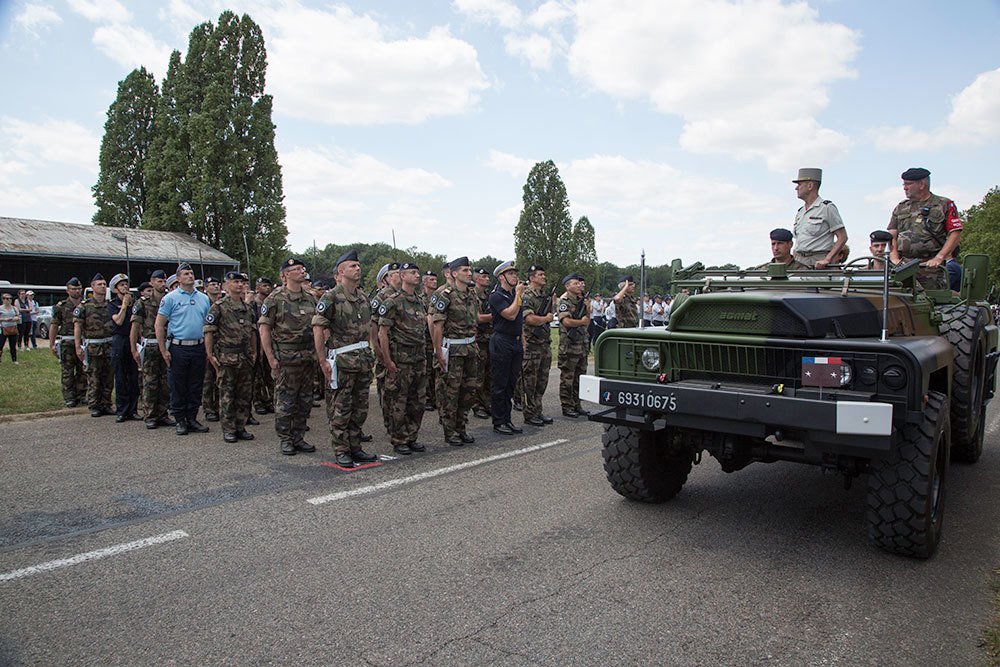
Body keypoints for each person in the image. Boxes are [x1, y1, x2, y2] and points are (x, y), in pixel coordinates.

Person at [312, 250, 378, 467]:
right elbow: (318, 327)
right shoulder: (330, 297)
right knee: (341, 407)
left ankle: (355, 446)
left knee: (360, 407)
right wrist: (323, 360)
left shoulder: (363, 297)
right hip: (342, 361)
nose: (357, 269)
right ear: (341, 272)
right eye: (353, 266)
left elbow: (369, 329)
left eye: (358, 266)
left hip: (362, 361)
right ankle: (341, 450)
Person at [259, 257, 317, 455]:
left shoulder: (310, 298)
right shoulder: (275, 299)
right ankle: (285, 438)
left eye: (302, 268)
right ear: (285, 275)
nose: (302, 272)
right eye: (297, 269)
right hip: (286, 357)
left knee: (305, 400)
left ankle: (298, 436)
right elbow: (264, 329)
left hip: (308, 356)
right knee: (286, 400)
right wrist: (270, 358)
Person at [155, 263, 212, 435]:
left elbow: (208, 325)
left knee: (195, 385)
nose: (190, 276)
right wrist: (163, 350)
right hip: (178, 348)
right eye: (186, 274)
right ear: (178, 278)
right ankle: (179, 419)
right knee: (178, 385)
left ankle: (192, 418)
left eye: (191, 273)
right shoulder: (170, 298)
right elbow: (159, 325)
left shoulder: (204, 298)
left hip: (198, 346)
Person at [378, 261, 428, 455]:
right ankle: (399, 438)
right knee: (398, 401)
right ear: (402, 276)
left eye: (417, 272)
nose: (417, 276)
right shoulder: (393, 301)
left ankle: (412, 436)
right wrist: (387, 360)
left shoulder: (420, 301)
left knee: (418, 401)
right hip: (400, 359)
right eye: (413, 273)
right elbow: (383, 332)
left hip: (418, 358)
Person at [429, 257, 479, 445]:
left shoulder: (471, 295)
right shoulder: (446, 295)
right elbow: (437, 326)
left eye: (469, 270)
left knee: (468, 392)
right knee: (450, 393)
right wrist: (438, 352)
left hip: (470, 349)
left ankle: (461, 427)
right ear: (454, 273)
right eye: (465, 270)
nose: (469, 273)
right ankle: (450, 432)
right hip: (453, 350)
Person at [888, 167, 962, 291]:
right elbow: (891, 235)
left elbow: (955, 234)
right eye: (904, 184)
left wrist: (940, 257)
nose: (904, 188)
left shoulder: (943, 205)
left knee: (931, 303)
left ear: (921, 184)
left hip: (931, 269)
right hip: (903, 268)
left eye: (908, 184)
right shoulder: (901, 207)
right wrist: (895, 258)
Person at [204, 271, 257, 443]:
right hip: (227, 356)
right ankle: (228, 428)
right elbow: (209, 332)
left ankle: (240, 426)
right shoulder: (218, 307)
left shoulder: (247, 308)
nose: (239, 285)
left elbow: (252, 333)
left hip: (244, 355)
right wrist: (210, 354)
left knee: (244, 394)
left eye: (241, 282)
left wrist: (254, 351)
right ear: (226, 285)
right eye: (235, 282)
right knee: (227, 393)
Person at [487, 260, 527, 435]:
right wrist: (518, 295)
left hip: (515, 342)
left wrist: (523, 343)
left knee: (511, 383)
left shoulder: (513, 296)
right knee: (500, 384)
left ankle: (507, 419)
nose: (515, 276)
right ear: (501, 277)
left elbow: (519, 321)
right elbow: (510, 315)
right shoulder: (496, 296)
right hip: (502, 341)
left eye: (514, 273)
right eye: (510, 274)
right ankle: (498, 421)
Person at [131, 270, 173, 429]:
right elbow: (135, 327)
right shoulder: (143, 302)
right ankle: (149, 414)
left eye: (164, 281)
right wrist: (134, 349)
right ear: (152, 283)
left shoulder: (170, 300)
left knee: (165, 382)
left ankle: (163, 413)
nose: (162, 285)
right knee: (150, 381)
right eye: (159, 281)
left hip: (167, 344)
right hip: (150, 345)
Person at [74, 274, 115, 417]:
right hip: (93, 347)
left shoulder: (110, 304)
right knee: (94, 377)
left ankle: (106, 403)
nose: (103, 287)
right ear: (92, 287)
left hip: (108, 345)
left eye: (104, 284)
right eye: (99, 284)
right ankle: (94, 404)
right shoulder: (85, 306)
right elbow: (78, 326)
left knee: (108, 377)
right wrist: (77, 345)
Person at [520, 263, 554, 428]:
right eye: (540, 275)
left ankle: (538, 410)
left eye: (544, 275)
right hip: (532, 345)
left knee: (542, 381)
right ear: (532, 278)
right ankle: (529, 413)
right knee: (530, 382)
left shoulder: (543, 296)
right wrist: (545, 319)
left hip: (544, 344)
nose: (544, 277)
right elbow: (529, 319)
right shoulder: (527, 296)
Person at [791, 168, 847, 269]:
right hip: (800, 261)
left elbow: (842, 237)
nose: (796, 188)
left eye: (799, 185)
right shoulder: (800, 212)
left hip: (819, 262)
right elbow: (798, 240)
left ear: (810, 186)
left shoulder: (826, 208)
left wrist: (827, 259)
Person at [557, 273, 591, 418]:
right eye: (575, 284)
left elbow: (587, 320)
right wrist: (581, 322)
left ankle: (577, 404)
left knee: (580, 378)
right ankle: (567, 406)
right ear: (568, 286)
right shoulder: (564, 301)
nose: (579, 286)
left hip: (581, 344)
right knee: (568, 378)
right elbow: (566, 322)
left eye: (579, 283)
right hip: (569, 346)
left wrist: (588, 309)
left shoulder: (581, 301)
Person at [108, 273, 140, 422]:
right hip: (119, 340)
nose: (125, 287)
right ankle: (122, 410)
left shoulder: (135, 304)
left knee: (133, 377)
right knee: (120, 377)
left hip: (132, 340)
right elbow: (119, 321)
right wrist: (124, 305)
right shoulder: (112, 305)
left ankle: (133, 409)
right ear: (115, 289)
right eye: (121, 285)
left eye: (126, 284)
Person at [48, 278, 86, 404]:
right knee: (67, 370)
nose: (76, 291)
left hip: (83, 341)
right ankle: (69, 397)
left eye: (78, 289)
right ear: (67, 291)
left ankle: (81, 395)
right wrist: (52, 343)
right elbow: (54, 325)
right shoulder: (61, 307)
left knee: (83, 370)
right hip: (68, 342)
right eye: (73, 289)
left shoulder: (85, 305)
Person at [472, 267, 493, 419]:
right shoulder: (472, 296)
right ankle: (478, 405)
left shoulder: (489, 295)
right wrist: (494, 315)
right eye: (484, 277)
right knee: (478, 376)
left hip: (489, 339)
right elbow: (477, 318)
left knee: (489, 374)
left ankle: (487, 403)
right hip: (478, 339)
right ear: (477, 279)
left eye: (487, 276)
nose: (487, 279)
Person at [251, 276, 275, 414]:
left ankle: (269, 400)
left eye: (268, 286)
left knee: (269, 373)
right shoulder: (253, 304)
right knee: (258, 376)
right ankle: (258, 401)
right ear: (258, 287)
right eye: (264, 286)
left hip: (269, 340)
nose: (267, 288)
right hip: (257, 339)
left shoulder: (270, 302)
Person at [201, 275, 223, 422]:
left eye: (217, 284)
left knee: (221, 378)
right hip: (208, 342)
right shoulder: (202, 303)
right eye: (212, 284)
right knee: (208, 378)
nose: (215, 286)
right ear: (206, 288)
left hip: (222, 344)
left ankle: (221, 406)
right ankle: (209, 408)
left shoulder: (223, 303)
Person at [420, 269, 439, 412]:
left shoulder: (439, 298)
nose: (434, 282)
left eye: (435, 279)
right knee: (427, 369)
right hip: (426, 338)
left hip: (437, 337)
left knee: (436, 368)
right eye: (431, 280)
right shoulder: (420, 299)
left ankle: (436, 397)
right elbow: (424, 318)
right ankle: (428, 398)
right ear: (424, 282)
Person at [0, 293, 20, 364]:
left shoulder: (14, 308)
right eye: (6, 298)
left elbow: (18, 318)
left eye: (10, 298)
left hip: (13, 328)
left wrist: (15, 318)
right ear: (3, 300)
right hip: (3, 328)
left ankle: (14, 359)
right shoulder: (1, 308)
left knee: (13, 345)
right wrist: (5, 319)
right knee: (1, 345)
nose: (9, 300)